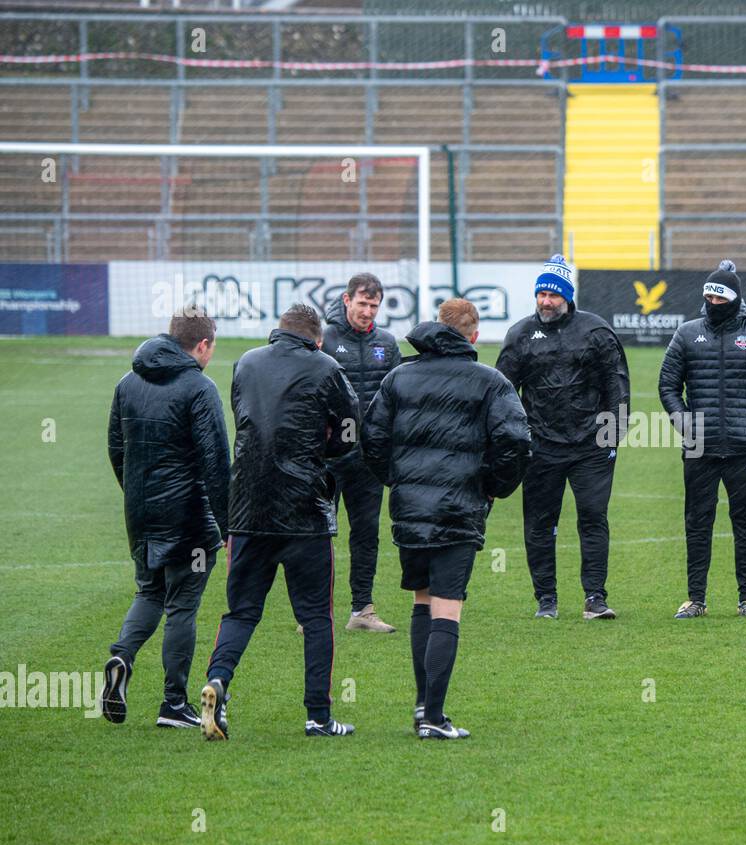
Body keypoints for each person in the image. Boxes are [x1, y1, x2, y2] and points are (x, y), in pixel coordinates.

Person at [363, 299, 529, 740]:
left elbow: (372, 437)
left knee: (422, 600)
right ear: (472, 336)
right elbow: (515, 440)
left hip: (412, 509)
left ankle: (423, 708)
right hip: (459, 507)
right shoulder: (490, 382)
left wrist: (397, 481)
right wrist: (493, 486)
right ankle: (434, 718)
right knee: (447, 608)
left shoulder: (399, 377)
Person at [200, 303, 361, 741]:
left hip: (248, 510)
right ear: (317, 338)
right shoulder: (326, 367)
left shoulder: (246, 362)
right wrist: (320, 451)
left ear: (278, 330)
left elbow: (246, 420)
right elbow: (349, 428)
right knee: (316, 617)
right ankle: (318, 716)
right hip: (304, 511)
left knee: (241, 611)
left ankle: (219, 679)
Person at [101, 307, 229, 729]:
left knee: (149, 592)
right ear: (203, 345)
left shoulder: (128, 382)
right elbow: (216, 462)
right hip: (187, 518)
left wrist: (136, 495)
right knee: (182, 607)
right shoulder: (199, 387)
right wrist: (227, 526)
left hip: (140, 514)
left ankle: (122, 655)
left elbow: (116, 449)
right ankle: (173, 703)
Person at [495, 255, 630, 621]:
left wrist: (613, 436)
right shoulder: (521, 335)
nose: (545, 301)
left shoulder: (596, 331)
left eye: (553, 295)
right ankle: (546, 600)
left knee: (593, 517)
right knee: (540, 523)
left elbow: (616, 385)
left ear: (568, 297)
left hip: (591, 447)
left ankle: (595, 599)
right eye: (541, 294)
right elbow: (502, 391)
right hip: (540, 447)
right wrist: (513, 441)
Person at [657, 260, 746, 619]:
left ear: (734, 300)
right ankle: (695, 599)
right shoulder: (686, 334)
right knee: (697, 524)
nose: (713, 304)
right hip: (699, 448)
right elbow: (668, 386)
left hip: (744, 449)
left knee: (745, 524)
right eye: (709, 298)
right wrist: (685, 425)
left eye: (720, 299)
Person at [320, 273, 401, 633]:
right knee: (320, 534)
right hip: (326, 458)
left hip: (368, 458)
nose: (367, 311)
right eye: (362, 303)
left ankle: (362, 611)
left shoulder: (387, 342)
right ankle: (316, 613)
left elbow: (398, 396)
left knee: (366, 533)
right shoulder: (325, 339)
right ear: (346, 299)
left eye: (374, 305)